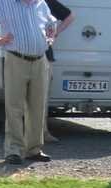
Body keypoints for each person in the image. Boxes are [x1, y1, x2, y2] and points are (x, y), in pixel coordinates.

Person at [0, 0, 55, 165]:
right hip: (16, 59)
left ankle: (34, 149)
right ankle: (14, 151)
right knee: (14, 107)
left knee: (38, 107)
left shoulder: (41, 4)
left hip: (40, 60)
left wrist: (50, 37)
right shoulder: (4, 3)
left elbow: (51, 23)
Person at [43, 0, 73, 143]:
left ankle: (42, 132)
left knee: (42, 98)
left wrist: (55, 33)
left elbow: (69, 16)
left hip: (45, 55)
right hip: (22, 55)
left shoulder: (45, 2)